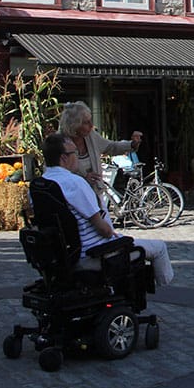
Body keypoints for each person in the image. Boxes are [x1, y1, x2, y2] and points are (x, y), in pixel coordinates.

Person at [40, 133, 173, 286]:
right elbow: (105, 230)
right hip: (93, 253)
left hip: (62, 255)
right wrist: (115, 236)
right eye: (74, 153)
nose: (77, 156)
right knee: (159, 248)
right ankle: (167, 293)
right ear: (63, 158)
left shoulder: (41, 185)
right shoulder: (74, 183)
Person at [59, 101, 142, 192]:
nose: (91, 125)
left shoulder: (91, 136)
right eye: (86, 122)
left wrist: (131, 144)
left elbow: (111, 147)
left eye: (90, 120)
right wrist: (83, 180)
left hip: (95, 194)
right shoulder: (59, 143)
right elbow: (57, 176)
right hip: (72, 198)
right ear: (74, 125)